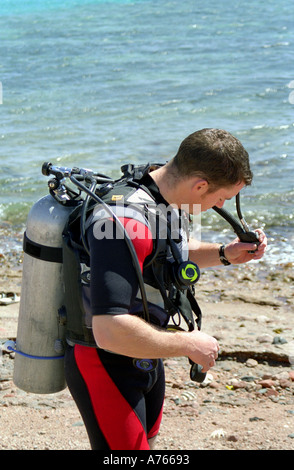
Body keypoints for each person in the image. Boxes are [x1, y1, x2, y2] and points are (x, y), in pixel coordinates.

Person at [64, 128, 267, 451]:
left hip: (147, 350)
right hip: (106, 362)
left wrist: (224, 254)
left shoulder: (159, 192)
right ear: (200, 185)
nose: (221, 205)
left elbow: (168, 251)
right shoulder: (121, 223)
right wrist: (188, 342)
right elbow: (108, 328)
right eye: (222, 198)